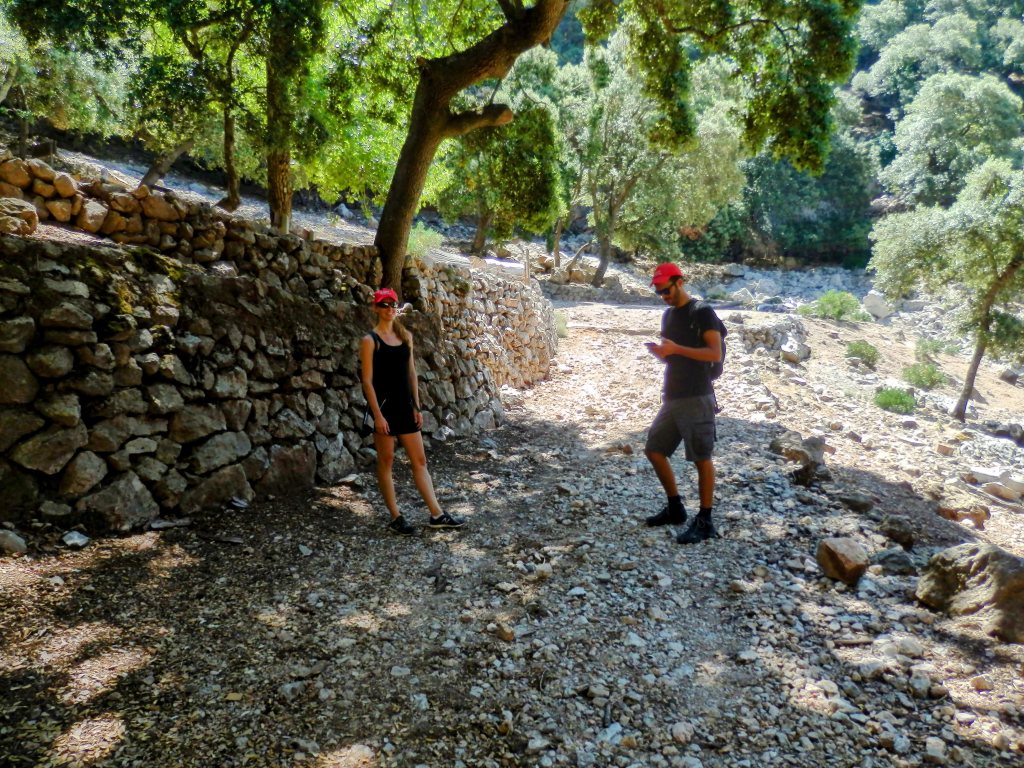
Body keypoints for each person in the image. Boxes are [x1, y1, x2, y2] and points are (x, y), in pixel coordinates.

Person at [360, 287, 465, 534]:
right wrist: (377, 415)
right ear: (376, 308)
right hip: (383, 408)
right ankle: (396, 516)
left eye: (392, 304)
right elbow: (367, 381)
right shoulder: (369, 340)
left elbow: (411, 374)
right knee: (386, 460)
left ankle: (437, 514)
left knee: (419, 460)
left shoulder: (405, 336)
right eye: (383, 305)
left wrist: (417, 406)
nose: (388, 309)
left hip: (405, 406)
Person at [643, 262, 724, 544]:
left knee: (702, 458)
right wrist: (662, 354)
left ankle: (705, 520)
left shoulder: (702, 312)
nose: (663, 296)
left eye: (666, 290)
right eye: (659, 292)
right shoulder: (668, 317)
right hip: (673, 395)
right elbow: (672, 356)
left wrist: (676, 349)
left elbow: (714, 352)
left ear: (679, 282)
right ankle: (676, 507)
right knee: (654, 450)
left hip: (697, 394)